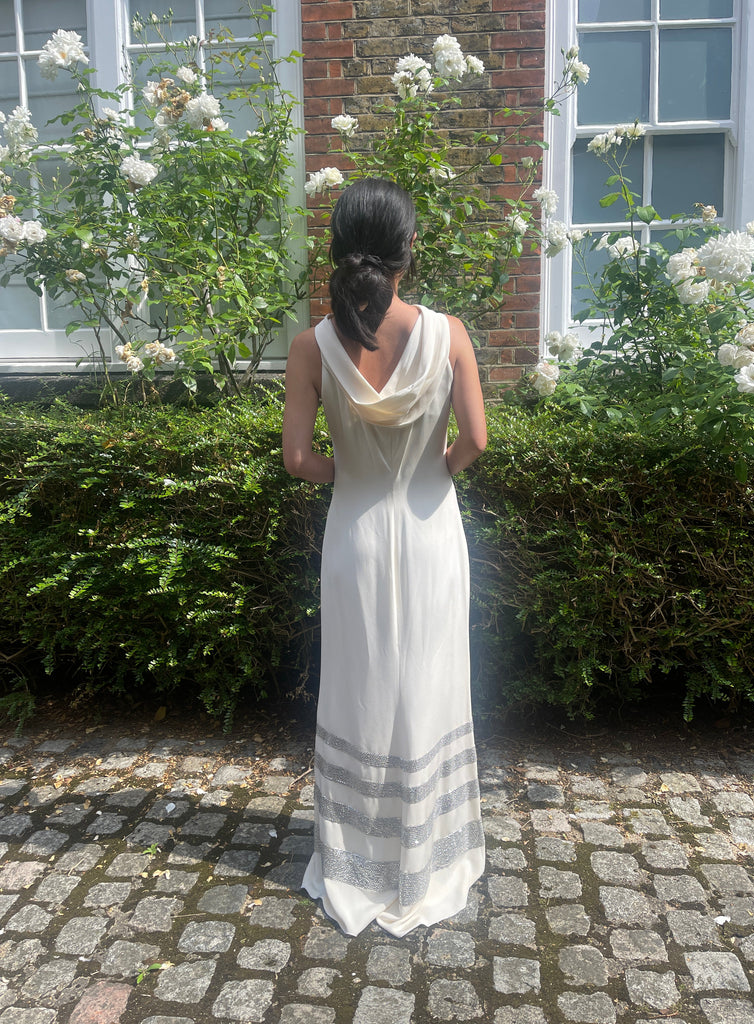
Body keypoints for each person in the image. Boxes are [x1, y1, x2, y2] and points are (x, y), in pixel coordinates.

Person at [282, 177, 487, 936]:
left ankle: (359, 858)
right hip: (431, 533)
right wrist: (431, 472)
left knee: (359, 690)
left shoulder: (311, 346)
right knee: (428, 687)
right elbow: (477, 441)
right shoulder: (450, 334)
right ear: (409, 250)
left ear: (337, 250)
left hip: (356, 538)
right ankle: (426, 855)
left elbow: (297, 460)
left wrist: (357, 475)